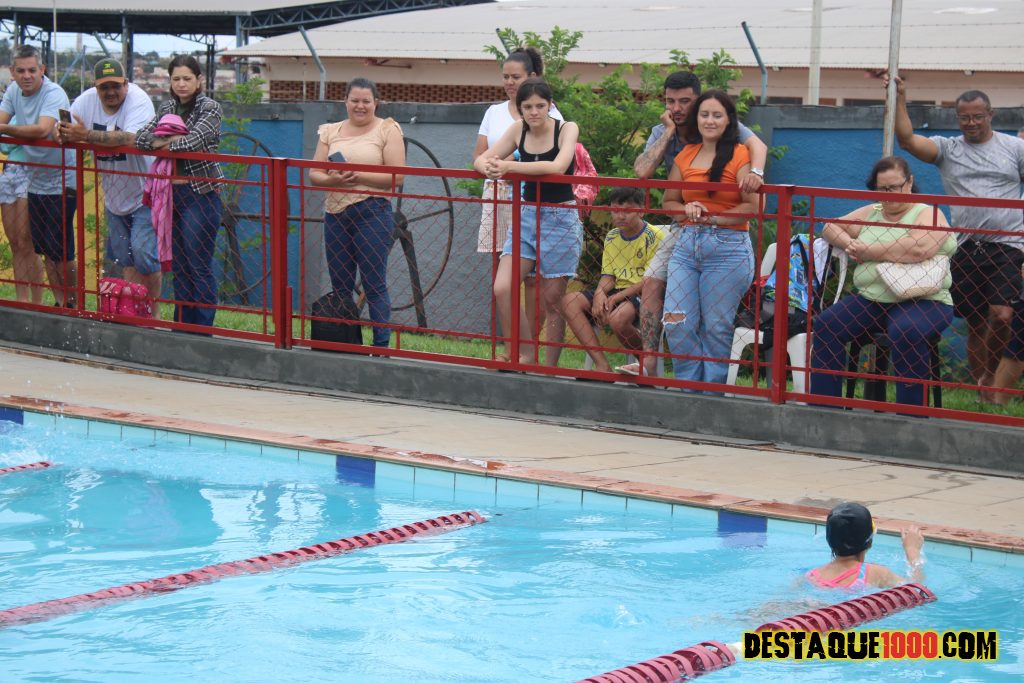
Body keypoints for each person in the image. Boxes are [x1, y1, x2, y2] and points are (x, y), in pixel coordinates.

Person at [621, 71, 768, 377]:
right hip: (685, 232)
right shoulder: (675, 142)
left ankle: (710, 391)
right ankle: (653, 364)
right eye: (670, 101)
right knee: (665, 304)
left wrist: (756, 173)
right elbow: (643, 173)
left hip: (725, 240)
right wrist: (668, 130)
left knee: (715, 325)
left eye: (685, 101)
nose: (677, 107)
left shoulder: (735, 144)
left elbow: (759, 152)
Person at [888, 76, 1024, 402]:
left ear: (990, 115)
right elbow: (907, 141)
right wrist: (901, 96)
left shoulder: (1015, 149)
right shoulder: (948, 149)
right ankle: (981, 392)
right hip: (966, 246)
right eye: (965, 118)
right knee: (974, 322)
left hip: (1008, 245)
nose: (971, 123)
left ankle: (990, 376)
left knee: (1002, 314)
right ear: (957, 118)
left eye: (977, 116)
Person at [811, 157, 957, 408]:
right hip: (873, 299)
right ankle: (824, 408)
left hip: (924, 300)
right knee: (827, 325)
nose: (888, 195)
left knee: (906, 331)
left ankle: (911, 416)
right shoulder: (873, 211)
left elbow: (919, 249)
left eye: (894, 187)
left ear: (909, 182)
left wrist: (868, 251)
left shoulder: (928, 212)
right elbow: (830, 227)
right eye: (882, 189)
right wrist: (850, 244)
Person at [475, 77, 583, 366]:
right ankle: (523, 352)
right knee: (503, 287)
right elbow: (481, 159)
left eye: (540, 106)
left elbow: (558, 166)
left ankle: (549, 367)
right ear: (520, 109)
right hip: (526, 215)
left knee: (553, 299)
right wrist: (489, 167)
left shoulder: (566, 128)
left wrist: (509, 165)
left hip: (560, 218)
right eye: (528, 107)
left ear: (550, 106)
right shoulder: (517, 129)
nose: (534, 112)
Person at [661, 90, 757, 388]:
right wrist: (686, 210)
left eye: (717, 115)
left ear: (729, 121)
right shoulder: (685, 154)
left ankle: (712, 394)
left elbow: (753, 207)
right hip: (687, 247)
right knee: (675, 322)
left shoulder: (741, 154)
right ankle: (689, 389)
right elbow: (669, 201)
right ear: (696, 118)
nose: (710, 121)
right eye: (704, 115)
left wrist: (712, 217)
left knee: (716, 327)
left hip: (728, 250)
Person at [56, 58, 159, 317]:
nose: (110, 92)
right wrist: (63, 132)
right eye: (104, 87)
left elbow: (132, 138)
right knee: (126, 259)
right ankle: (134, 313)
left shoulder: (139, 100)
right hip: (114, 196)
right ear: (96, 87)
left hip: (146, 192)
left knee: (145, 255)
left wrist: (85, 135)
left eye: (116, 86)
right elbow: (66, 127)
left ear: (126, 83)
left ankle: (153, 315)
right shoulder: (85, 101)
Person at [310, 77, 405, 348]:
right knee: (340, 285)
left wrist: (356, 175)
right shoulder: (330, 131)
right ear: (345, 102)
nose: (360, 106)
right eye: (355, 101)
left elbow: (397, 177)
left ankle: (381, 347)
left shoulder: (388, 129)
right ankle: (346, 344)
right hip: (335, 214)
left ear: (376, 103)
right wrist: (332, 180)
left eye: (366, 101)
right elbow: (314, 173)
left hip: (372, 212)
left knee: (374, 284)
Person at [135, 55, 224, 329]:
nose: (181, 84)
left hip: (200, 194)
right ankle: (182, 326)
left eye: (187, 78)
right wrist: (170, 141)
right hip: (170, 196)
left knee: (198, 265)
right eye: (176, 79)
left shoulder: (210, 107)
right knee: (180, 266)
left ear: (199, 80)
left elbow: (194, 141)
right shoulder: (167, 107)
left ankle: (202, 330)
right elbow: (140, 138)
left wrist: (163, 142)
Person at [0, 45, 78, 307]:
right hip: (36, 178)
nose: (27, 76)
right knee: (42, 247)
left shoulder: (54, 93)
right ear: (12, 72)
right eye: (21, 71)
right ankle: (57, 302)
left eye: (32, 70)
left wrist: (4, 128)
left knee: (60, 250)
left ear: (42, 69)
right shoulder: (14, 91)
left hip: (61, 179)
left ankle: (72, 303)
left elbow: (42, 130)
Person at [562, 187, 663, 373]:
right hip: (617, 291)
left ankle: (646, 364)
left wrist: (615, 298)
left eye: (627, 211)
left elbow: (650, 281)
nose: (620, 216)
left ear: (641, 210)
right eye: (615, 210)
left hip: (644, 293)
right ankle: (602, 365)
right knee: (569, 302)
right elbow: (609, 276)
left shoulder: (655, 236)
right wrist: (600, 293)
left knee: (618, 319)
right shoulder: (612, 236)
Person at [807, 502, 924, 590]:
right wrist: (912, 550)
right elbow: (915, 589)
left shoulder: (811, 576)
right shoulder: (875, 573)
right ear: (869, 542)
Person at [0, 115, 44, 304]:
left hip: (30, 170)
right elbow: (5, 146)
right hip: (9, 171)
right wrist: (18, 133)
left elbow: (36, 135)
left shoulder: (39, 111)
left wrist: (12, 132)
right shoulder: (10, 110)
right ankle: (22, 300)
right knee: (15, 243)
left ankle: (37, 302)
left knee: (26, 240)